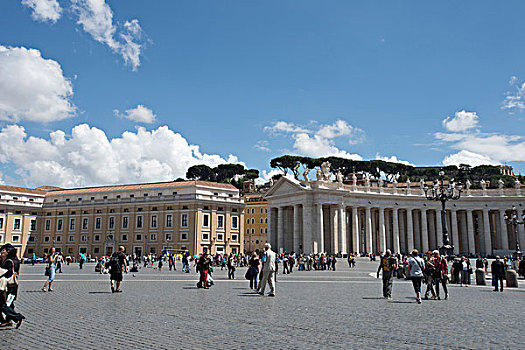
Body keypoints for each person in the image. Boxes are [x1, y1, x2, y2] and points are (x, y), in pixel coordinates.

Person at [0, 244, 25, 328]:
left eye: (4, 250)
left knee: (4, 304)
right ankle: (9, 320)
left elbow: (9, 273)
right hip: (9, 286)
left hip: (7, 286)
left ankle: (15, 317)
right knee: (8, 304)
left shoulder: (10, 261)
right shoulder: (11, 260)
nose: (2, 252)